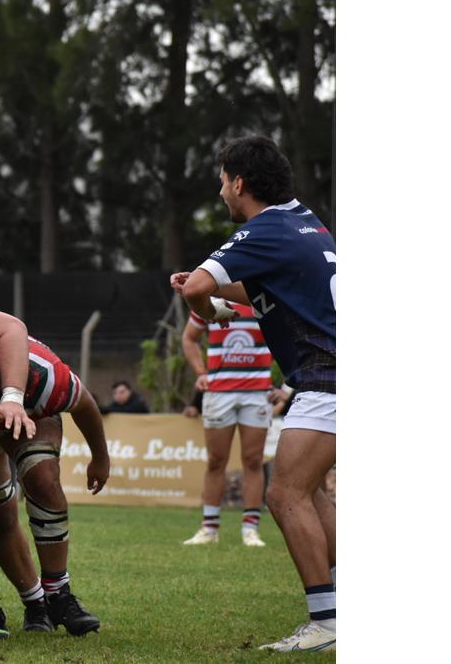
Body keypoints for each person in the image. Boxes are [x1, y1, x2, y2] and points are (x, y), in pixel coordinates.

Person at [171, 134, 335, 653]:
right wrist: (220, 291)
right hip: (335, 374)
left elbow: (197, 288)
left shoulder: (264, 228)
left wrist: (207, 305)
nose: (221, 191)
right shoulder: (303, 220)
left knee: (285, 494)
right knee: (312, 491)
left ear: (238, 182)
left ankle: (328, 624)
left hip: (326, 377)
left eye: (222, 180)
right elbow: (274, 287)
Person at [0, 340, 108, 637]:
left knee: (43, 480)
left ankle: (57, 593)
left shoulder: (50, 379)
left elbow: (86, 405)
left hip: (32, 415)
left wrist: (101, 458)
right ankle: (35, 602)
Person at [180, 303, 273, 547]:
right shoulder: (210, 301)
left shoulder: (263, 298)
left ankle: (250, 530)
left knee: (253, 461)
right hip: (219, 393)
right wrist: (201, 372)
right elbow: (189, 338)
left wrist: (283, 383)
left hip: (258, 392)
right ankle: (209, 529)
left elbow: (286, 334)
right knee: (215, 461)